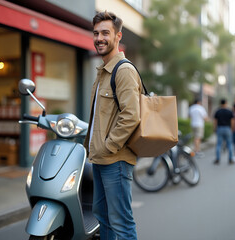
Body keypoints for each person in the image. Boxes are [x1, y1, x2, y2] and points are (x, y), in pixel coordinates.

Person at [83, 11, 141, 240]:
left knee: (122, 223)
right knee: (103, 218)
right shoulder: (103, 72)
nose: (99, 38)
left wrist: (108, 146)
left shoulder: (123, 70)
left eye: (105, 33)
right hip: (100, 159)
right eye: (96, 33)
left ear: (118, 36)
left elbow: (131, 116)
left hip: (115, 160)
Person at [213, 99, 235, 164]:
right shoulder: (229, 111)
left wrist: (215, 128)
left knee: (219, 144)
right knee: (229, 144)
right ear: (226, 103)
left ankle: (217, 159)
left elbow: (215, 121)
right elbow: (232, 121)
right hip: (227, 128)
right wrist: (231, 128)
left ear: (220, 103)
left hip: (220, 128)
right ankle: (230, 159)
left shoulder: (218, 111)